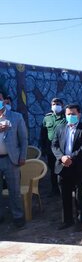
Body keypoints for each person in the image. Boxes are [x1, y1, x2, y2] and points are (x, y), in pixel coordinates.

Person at [51, 103, 82, 231]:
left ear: (79, 114)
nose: (70, 116)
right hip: (62, 167)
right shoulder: (59, 128)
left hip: (78, 167)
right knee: (65, 195)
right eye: (68, 114)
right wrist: (62, 157)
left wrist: (71, 158)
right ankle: (67, 220)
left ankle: (81, 221)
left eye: (73, 114)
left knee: (80, 196)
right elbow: (54, 146)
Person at [0, 92, 27, 228]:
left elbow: (23, 139)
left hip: (11, 160)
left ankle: (18, 216)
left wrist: (22, 156)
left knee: (14, 190)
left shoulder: (16, 117)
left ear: (4, 101)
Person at [40, 98, 66, 196]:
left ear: (62, 105)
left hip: (62, 149)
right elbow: (43, 134)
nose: (55, 105)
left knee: (63, 169)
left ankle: (64, 188)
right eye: (53, 104)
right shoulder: (47, 118)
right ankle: (54, 189)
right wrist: (43, 149)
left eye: (58, 104)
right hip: (50, 149)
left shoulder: (66, 117)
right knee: (53, 170)